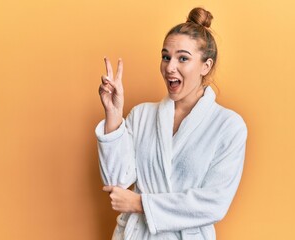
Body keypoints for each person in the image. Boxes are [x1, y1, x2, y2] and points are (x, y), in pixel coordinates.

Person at [95, 7, 247, 240]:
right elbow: (116, 182)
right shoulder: (142, 115)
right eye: (166, 57)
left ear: (205, 66)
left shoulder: (228, 126)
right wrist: (114, 114)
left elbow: (214, 203)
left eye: (182, 58)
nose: (170, 67)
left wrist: (141, 204)